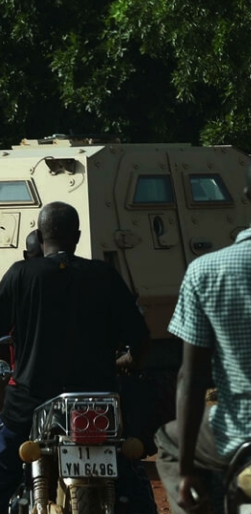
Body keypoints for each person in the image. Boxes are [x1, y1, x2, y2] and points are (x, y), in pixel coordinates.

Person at [0, 202, 151, 513]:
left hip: (31, 399)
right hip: (98, 399)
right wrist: (130, 361)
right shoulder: (104, 274)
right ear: (78, 236)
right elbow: (140, 338)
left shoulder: (21, 274)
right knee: (130, 477)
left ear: (40, 235)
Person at [154, 168, 251, 513]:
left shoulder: (206, 271)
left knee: (167, 441)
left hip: (238, 429)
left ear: (245, 196)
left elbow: (191, 378)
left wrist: (186, 473)